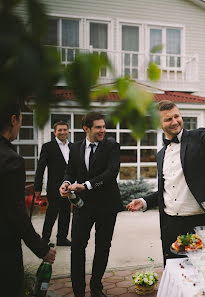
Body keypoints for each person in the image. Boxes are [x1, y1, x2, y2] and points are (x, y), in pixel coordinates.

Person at [127, 100, 205, 265]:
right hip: (170, 224)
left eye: (176, 116)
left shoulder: (198, 137)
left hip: (198, 222)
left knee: (203, 271)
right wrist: (144, 201)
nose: (175, 121)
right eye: (168, 119)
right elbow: (167, 188)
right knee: (173, 269)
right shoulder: (161, 154)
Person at [59, 112, 122, 297]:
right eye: (98, 127)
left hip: (107, 205)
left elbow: (112, 172)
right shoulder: (75, 147)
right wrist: (65, 183)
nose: (103, 130)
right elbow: (70, 171)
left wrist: (87, 185)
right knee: (77, 246)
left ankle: (96, 288)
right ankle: (78, 291)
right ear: (86, 128)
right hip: (82, 206)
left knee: (103, 247)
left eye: (104, 126)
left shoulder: (112, 146)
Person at [0, 101, 56, 297]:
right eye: (21, 120)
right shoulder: (10, 159)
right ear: (13, 119)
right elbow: (16, 212)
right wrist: (41, 249)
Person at [34, 121, 72, 246]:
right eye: (59, 130)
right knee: (52, 213)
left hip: (69, 186)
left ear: (68, 131)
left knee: (66, 213)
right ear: (54, 132)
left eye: (65, 130)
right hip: (54, 187)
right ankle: (45, 239)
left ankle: (62, 239)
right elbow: (40, 168)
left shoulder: (73, 147)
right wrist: (37, 187)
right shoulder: (48, 147)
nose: (62, 132)